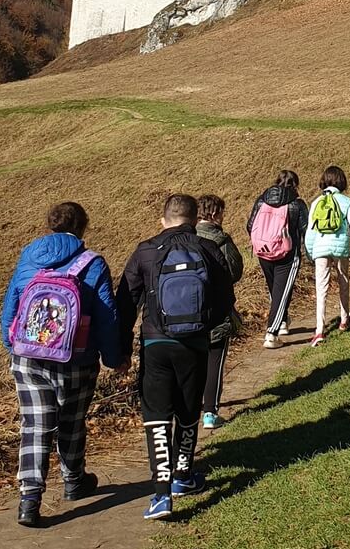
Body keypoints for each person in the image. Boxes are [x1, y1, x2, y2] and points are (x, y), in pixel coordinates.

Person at [0, 201, 124, 528]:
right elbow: (107, 316)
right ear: (83, 226)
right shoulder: (92, 263)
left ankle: (29, 499)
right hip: (76, 358)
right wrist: (113, 358)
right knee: (72, 419)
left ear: (50, 225)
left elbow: (12, 300)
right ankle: (73, 480)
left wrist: (11, 343)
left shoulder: (28, 256)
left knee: (35, 425)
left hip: (28, 356)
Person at [117, 194, 235, 521]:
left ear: (163, 219)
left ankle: (160, 495)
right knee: (187, 413)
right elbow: (226, 298)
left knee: (156, 415)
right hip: (195, 344)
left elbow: (125, 303)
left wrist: (121, 350)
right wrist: (203, 326)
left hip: (155, 343)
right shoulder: (207, 249)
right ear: (195, 219)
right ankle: (184, 476)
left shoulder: (145, 250)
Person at [304, 166, 350, 347]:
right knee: (343, 281)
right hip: (340, 247)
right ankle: (344, 319)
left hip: (320, 249)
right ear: (342, 181)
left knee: (321, 289)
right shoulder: (347, 202)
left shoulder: (316, 202)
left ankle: (319, 330)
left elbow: (310, 232)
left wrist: (310, 252)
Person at [196, 194, 244, 430]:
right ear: (215, 214)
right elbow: (235, 271)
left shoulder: (185, 237)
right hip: (217, 311)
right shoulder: (221, 240)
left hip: (186, 312)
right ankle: (210, 412)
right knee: (215, 360)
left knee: (194, 361)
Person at [246, 169, 309, 350]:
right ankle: (272, 333)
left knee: (276, 291)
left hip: (263, 252)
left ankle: (281, 321)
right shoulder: (297, 204)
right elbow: (306, 230)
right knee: (282, 292)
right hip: (287, 255)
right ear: (296, 185)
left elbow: (250, 225)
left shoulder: (261, 200)